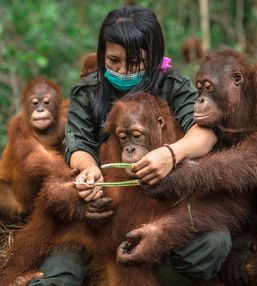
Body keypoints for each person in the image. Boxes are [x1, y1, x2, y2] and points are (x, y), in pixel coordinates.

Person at [27, 5, 231, 286]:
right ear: (102, 55)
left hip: (159, 208)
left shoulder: (174, 86)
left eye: (135, 62)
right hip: (101, 212)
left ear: (154, 56)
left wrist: (171, 154)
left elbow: (205, 134)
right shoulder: (88, 92)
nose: (123, 71)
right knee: (60, 270)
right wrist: (88, 171)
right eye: (113, 61)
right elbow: (78, 145)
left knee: (212, 243)